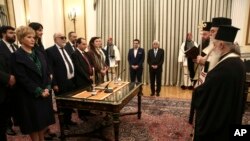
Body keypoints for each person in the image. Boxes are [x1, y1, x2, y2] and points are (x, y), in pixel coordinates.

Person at [193, 25, 245, 141]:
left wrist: (197, 91)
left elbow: (204, 95)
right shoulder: (238, 62)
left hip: (218, 127)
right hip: (230, 117)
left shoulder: (224, 68)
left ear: (221, 45)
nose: (213, 48)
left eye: (215, 45)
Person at [10, 26, 55, 141]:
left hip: (44, 94)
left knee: (42, 123)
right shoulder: (16, 56)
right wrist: (39, 91)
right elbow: (22, 78)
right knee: (33, 125)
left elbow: (46, 73)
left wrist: (47, 88)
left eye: (33, 37)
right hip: (29, 96)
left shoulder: (39, 53)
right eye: (28, 37)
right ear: (21, 39)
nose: (32, 39)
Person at [46, 33, 76, 127]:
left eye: (65, 37)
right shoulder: (50, 51)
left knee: (70, 104)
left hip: (70, 80)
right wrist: (54, 84)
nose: (64, 39)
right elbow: (50, 69)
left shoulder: (66, 49)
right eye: (62, 38)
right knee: (62, 105)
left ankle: (69, 120)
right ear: (55, 39)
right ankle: (63, 124)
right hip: (60, 82)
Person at [196, 17, 232, 86]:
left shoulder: (229, 55)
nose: (210, 34)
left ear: (222, 33)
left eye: (212, 31)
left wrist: (203, 61)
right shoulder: (215, 47)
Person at [0, 25, 18, 136]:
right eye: (11, 32)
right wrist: (7, 78)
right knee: (5, 109)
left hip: (16, 83)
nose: (14, 35)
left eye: (14, 32)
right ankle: (7, 126)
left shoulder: (15, 47)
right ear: (3, 34)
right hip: (3, 84)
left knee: (14, 105)